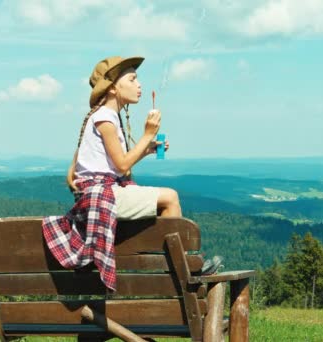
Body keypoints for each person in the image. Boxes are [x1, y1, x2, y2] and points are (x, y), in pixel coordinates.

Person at [42, 56, 218, 292]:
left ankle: (174, 267)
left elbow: (96, 168)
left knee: (162, 200)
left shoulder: (100, 116)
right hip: (102, 196)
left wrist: (146, 150)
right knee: (171, 198)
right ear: (113, 87)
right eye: (133, 79)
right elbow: (123, 166)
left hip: (98, 194)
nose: (139, 85)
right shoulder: (105, 118)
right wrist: (147, 134)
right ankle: (183, 270)